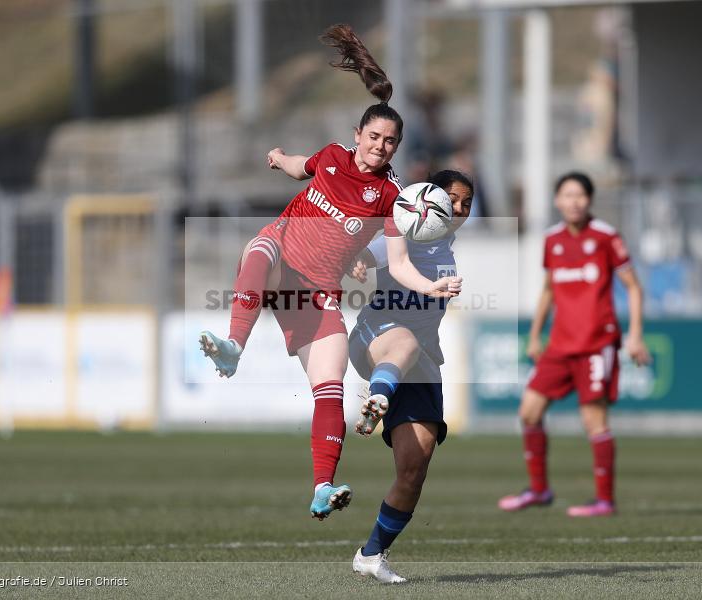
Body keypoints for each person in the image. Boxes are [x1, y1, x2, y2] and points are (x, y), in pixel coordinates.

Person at [198, 24, 462, 521]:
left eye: (391, 142)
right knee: (260, 249)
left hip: (315, 295)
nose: (381, 147)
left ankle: (322, 486)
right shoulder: (333, 158)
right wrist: (278, 159)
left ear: (396, 148)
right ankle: (234, 347)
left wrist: (432, 285)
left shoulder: (393, 200)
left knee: (331, 386)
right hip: (281, 260)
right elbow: (304, 166)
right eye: (375, 137)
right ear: (357, 135)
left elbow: (400, 262)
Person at [345, 170, 473, 583]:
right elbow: (374, 251)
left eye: (466, 203)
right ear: (428, 199)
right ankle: (378, 397)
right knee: (405, 344)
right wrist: (362, 262)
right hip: (376, 337)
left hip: (420, 366)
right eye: (452, 199)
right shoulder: (409, 230)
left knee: (414, 466)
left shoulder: (444, 242)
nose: (459, 209)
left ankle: (371, 554)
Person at [499, 171, 650, 517]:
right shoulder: (552, 241)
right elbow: (550, 290)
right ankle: (539, 491)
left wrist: (635, 335)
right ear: (557, 201)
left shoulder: (606, 237)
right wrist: (536, 335)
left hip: (597, 344)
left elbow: (634, 287)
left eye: (580, 196)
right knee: (529, 412)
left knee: (593, 421)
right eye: (567, 195)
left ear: (589, 200)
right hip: (560, 345)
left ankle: (604, 500)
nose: (573, 202)